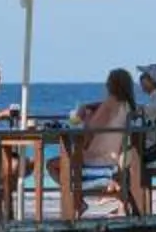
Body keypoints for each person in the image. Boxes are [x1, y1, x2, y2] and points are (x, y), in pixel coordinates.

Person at [52, 67, 139, 221]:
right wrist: (92, 107)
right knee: (67, 161)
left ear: (111, 85)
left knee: (52, 165)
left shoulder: (110, 104)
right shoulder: (127, 106)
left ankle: (78, 201)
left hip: (94, 161)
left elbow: (90, 128)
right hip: (112, 161)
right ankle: (96, 197)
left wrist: (83, 116)